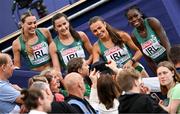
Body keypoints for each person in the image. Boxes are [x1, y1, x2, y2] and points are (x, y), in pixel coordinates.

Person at [125, 6, 171, 73]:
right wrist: (157, 73)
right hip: (158, 64)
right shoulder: (134, 35)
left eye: (136, 16)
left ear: (141, 14)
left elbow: (166, 44)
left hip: (169, 57)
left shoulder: (152, 22)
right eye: (130, 18)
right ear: (128, 21)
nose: (134, 19)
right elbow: (147, 58)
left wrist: (171, 64)